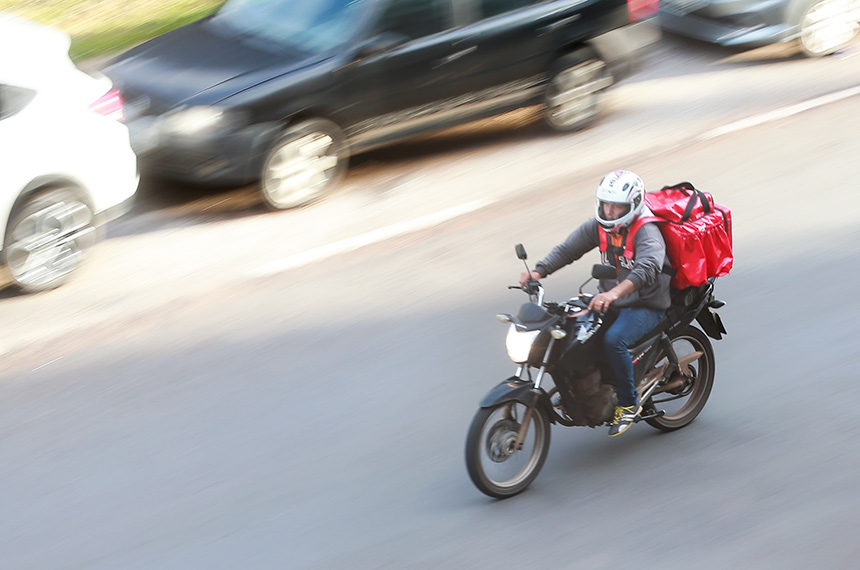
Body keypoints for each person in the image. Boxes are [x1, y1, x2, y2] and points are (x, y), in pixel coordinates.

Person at [519, 170, 671, 437]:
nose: (610, 211)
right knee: (571, 329)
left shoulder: (646, 231)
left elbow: (647, 269)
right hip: (609, 298)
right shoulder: (599, 226)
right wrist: (538, 271)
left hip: (646, 303)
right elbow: (569, 249)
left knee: (615, 340)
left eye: (618, 206)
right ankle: (580, 388)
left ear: (633, 205)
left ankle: (627, 404)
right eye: (606, 204)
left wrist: (614, 294)